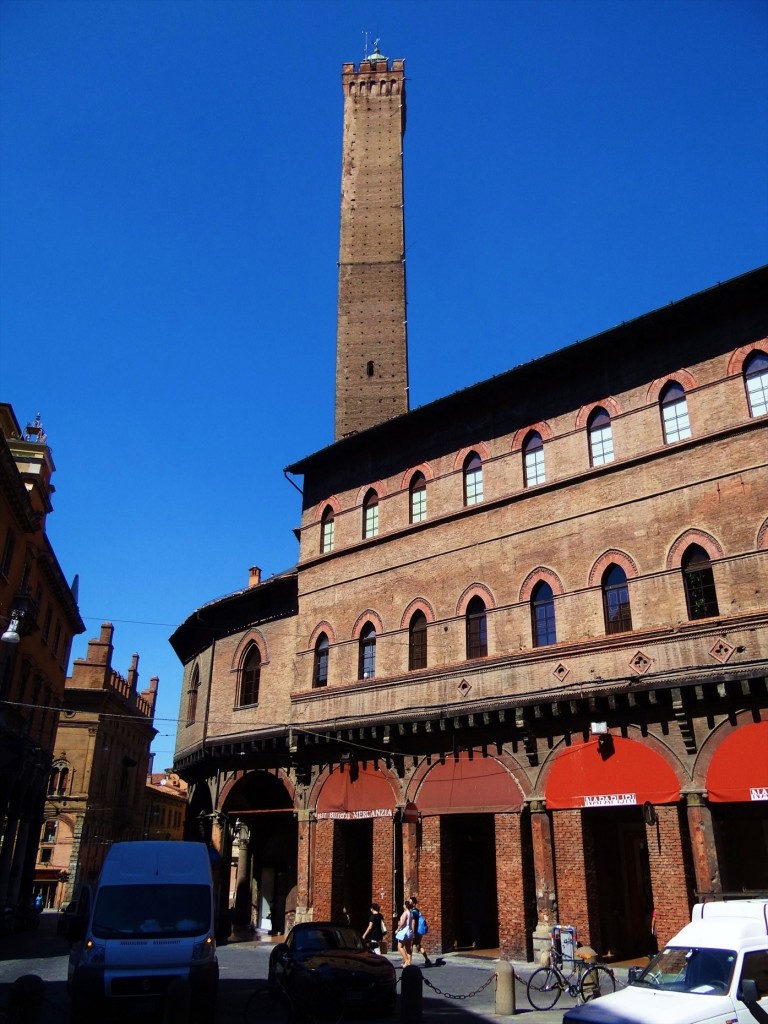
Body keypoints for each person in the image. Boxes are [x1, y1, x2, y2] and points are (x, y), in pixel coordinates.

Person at [409, 896, 432, 967]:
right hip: (419, 932)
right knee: (418, 945)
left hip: (416, 932)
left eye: (410, 902)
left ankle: (408, 962)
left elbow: (413, 923)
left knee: (410, 946)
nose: (409, 903)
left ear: (414, 904)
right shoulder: (418, 911)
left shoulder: (413, 912)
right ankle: (427, 960)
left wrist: (412, 932)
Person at [395, 899, 413, 967]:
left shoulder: (405, 913)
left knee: (400, 947)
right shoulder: (411, 913)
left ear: (405, 906)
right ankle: (408, 963)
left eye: (404, 904)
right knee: (408, 948)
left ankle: (406, 960)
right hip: (410, 931)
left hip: (404, 931)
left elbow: (402, 923)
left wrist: (397, 929)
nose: (403, 906)